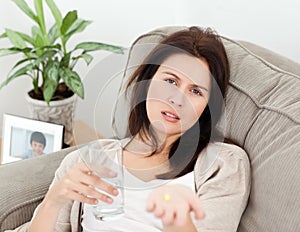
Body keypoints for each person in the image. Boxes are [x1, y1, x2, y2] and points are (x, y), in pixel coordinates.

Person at [12, 27, 250, 232]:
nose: (178, 99)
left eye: (196, 91)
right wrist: (54, 200)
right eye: (170, 81)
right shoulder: (88, 161)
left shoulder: (222, 164)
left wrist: (179, 220)